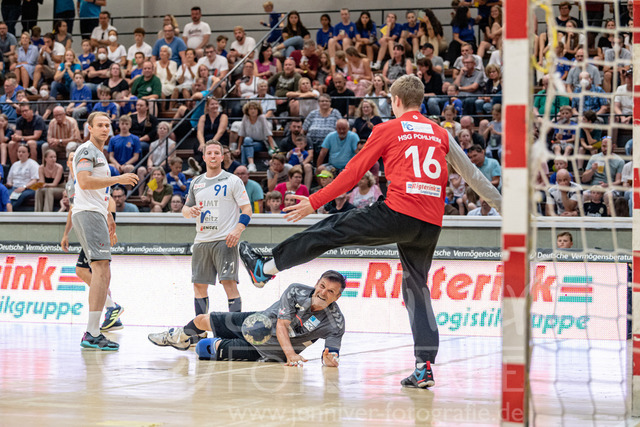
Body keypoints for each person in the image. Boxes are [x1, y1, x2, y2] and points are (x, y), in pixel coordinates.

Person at [237, 75, 502, 388]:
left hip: (398, 212)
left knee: (331, 228)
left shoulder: (388, 128)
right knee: (417, 290)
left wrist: (315, 202)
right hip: (431, 223)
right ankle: (424, 366)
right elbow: (473, 177)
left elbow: (352, 174)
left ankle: (265, 268)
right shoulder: (440, 132)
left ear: (396, 101)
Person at [148, 270, 345, 368]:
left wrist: (330, 360)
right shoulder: (296, 290)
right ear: (316, 284)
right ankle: (180, 338)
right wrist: (292, 355)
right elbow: (281, 325)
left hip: (272, 350)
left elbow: (332, 353)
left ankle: (201, 343)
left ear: (337, 297)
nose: (323, 293)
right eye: (322, 286)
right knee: (201, 320)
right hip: (258, 323)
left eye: (330, 292)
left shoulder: (335, 322)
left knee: (204, 349)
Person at [72, 111, 138, 350]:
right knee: (100, 270)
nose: (104, 128)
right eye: (99, 125)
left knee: (101, 271)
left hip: (96, 213)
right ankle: (92, 331)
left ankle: (96, 327)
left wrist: (110, 216)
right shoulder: (87, 150)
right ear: (89, 128)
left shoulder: (99, 154)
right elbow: (85, 182)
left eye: (107, 125)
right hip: (88, 213)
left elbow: (101, 193)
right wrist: (118, 177)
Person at [180, 140, 253, 344]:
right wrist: (190, 211)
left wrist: (238, 229)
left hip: (225, 240)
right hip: (202, 241)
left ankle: (234, 331)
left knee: (229, 284)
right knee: (199, 286)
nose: (212, 156)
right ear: (203, 157)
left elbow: (247, 210)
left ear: (222, 157)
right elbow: (185, 210)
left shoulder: (232, 181)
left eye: (216, 153)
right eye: (209, 153)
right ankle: (200, 331)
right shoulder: (196, 182)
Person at [61, 151, 127, 335]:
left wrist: (111, 224)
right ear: (68, 163)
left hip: (96, 224)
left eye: (78, 157)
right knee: (92, 271)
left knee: (91, 270)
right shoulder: (71, 184)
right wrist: (66, 234)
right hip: (86, 224)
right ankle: (111, 312)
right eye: (72, 158)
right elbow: (73, 209)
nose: (76, 160)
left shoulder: (88, 177)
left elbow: (110, 201)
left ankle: (111, 308)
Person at [236, 101, 277, 172]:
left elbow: (268, 134)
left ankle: (244, 165)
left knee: (245, 145)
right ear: (247, 110)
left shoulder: (262, 118)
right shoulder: (245, 117)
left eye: (255, 109)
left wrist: (273, 148)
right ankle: (250, 164)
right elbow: (241, 134)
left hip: (261, 142)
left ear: (258, 110)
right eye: (251, 109)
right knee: (246, 141)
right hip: (248, 142)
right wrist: (238, 148)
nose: (253, 111)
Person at [6, 144, 38, 210]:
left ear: (28, 153)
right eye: (19, 152)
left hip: (28, 188)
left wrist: (24, 187)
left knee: (19, 196)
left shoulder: (33, 164)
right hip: (14, 187)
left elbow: (34, 180)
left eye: (23, 152)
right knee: (6, 196)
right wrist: (10, 184)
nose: (21, 154)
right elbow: (9, 179)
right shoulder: (15, 164)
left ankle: (8, 212)